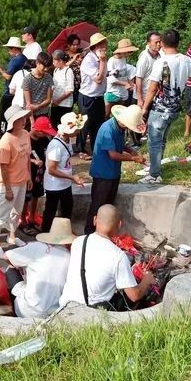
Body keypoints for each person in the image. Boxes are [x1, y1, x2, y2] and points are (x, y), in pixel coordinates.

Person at [140, 29, 191, 185]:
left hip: (160, 109)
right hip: (175, 108)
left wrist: (144, 109)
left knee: (154, 141)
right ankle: (155, 167)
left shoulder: (161, 62)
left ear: (162, 43)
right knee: (162, 139)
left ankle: (154, 174)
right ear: (178, 43)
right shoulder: (187, 60)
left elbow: (152, 88)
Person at [61, 205, 154, 310]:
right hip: (91, 312)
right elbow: (134, 296)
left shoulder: (78, 242)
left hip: (66, 304)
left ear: (95, 220)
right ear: (119, 225)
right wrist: (147, 280)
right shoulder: (118, 256)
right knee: (138, 296)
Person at [0, 218, 73, 318]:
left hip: (28, 310)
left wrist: (18, 266)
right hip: (54, 313)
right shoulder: (71, 257)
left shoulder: (38, 247)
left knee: (10, 269)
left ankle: (14, 309)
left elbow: (5, 256)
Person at [86, 105, 147, 233]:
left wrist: (131, 151)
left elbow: (121, 145)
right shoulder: (108, 129)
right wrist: (133, 159)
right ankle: (89, 231)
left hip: (113, 172)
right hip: (103, 173)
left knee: (109, 205)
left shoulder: (120, 128)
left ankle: (104, 231)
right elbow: (112, 154)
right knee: (98, 206)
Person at [0, 106, 32, 248]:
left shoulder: (26, 134)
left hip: (22, 181)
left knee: (17, 211)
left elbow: (27, 158)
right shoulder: (5, 141)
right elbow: (4, 167)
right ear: (12, 121)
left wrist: (29, 176)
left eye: (24, 117)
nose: (23, 120)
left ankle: (12, 236)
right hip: (9, 184)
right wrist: (8, 189)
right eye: (19, 118)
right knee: (1, 213)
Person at [41, 112, 86, 233]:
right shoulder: (56, 145)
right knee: (51, 210)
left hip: (65, 182)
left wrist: (70, 178)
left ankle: (65, 232)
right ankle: (45, 233)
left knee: (67, 207)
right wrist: (72, 177)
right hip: (55, 185)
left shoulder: (67, 140)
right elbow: (51, 169)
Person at [20, 115, 55, 236]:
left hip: (40, 173)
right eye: (44, 133)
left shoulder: (44, 139)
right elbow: (21, 156)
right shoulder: (26, 139)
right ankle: (23, 220)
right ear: (38, 130)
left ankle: (32, 217)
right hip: (28, 173)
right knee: (26, 198)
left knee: (37, 194)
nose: (46, 135)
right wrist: (33, 161)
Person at [77, 33, 108, 161]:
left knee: (98, 124)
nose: (105, 46)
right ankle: (80, 149)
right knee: (84, 125)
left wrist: (103, 61)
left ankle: (96, 149)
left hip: (99, 96)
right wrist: (102, 61)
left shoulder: (102, 59)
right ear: (97, 46)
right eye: (103, 43)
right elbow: (99, 79)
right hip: (87, 97)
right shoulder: (88, 60)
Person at [0, 37, 27, 139]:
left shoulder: (14, 60)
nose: (9, 52)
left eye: (10, 49)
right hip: (20, 90)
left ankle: (3, 133)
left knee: (4, 113)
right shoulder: (25, 58)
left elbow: (8, 76)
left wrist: (0, 70)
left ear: (14, 49)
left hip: (10, 91)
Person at [105, 39, 139, 118]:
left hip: (122, 93)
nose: (129, 54)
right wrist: (125, 84)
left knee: (119, 116)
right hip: (113, 93)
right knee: (107, 115)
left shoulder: (123, 59)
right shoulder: (112, 61)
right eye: (128, 52)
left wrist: (130, 83)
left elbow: (124, 73)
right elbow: (111, 79)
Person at [22, 51, 54, 124]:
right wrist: (32, 122)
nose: (46, 69)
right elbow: (28, 104)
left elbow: (48, 99)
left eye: (48, 67)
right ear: (37, 63)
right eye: (44, 66)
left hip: (43, 114)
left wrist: (38, 106)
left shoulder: (48, 77)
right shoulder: (27, 79)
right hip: (29, 115)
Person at [50, 50, 75, 129]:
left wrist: (58, 100)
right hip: (55, 103)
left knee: (65, 127)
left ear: (60, 61)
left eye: (54, 60)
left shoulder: (68, 71)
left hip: (65, 104)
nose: (53, 62)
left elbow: (70, 90)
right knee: (53, 124)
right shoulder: (56, 70)